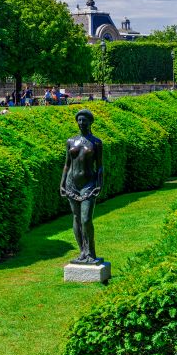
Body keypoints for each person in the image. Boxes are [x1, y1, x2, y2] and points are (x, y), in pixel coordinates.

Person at [59, 109, 104, 265]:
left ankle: (91, 251)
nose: (81, 123)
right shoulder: (71, 141)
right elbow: (67, 164)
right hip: (72, 184)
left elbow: (99, 167)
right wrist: (62, 183)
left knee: (86, 219)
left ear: (90, 122)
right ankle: (82, 253)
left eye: (84, 120)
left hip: (89, 184)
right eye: (79, 120)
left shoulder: (96, 142)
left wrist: (99, 183)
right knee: (77, 218)